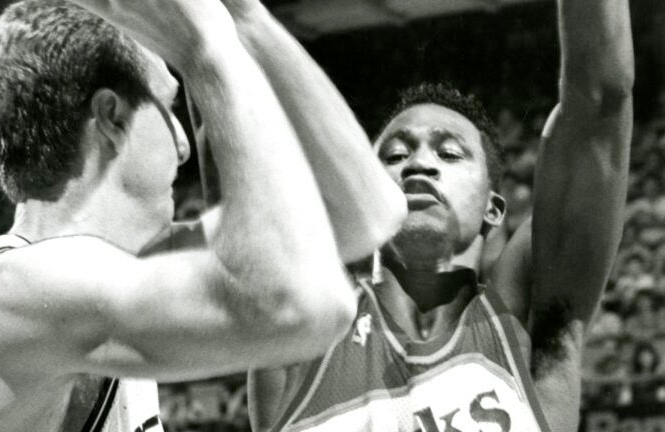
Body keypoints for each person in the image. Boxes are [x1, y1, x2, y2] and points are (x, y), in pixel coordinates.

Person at [0, 1, 407, 431]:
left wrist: (247, 20)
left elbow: (367, 216)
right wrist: (206, 52)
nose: (184, 145)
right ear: (112, 117)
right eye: (168, 107)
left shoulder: (114, 273)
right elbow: (304, 307)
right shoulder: (10, 292)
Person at [248, 0, 634, 431]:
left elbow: (601, 101)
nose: (418, 164)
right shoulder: (306, 328)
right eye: (395, 155)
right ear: (364, 195)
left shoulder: (524, 326)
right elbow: (229, 121)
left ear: (492, 208)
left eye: (449, 153)